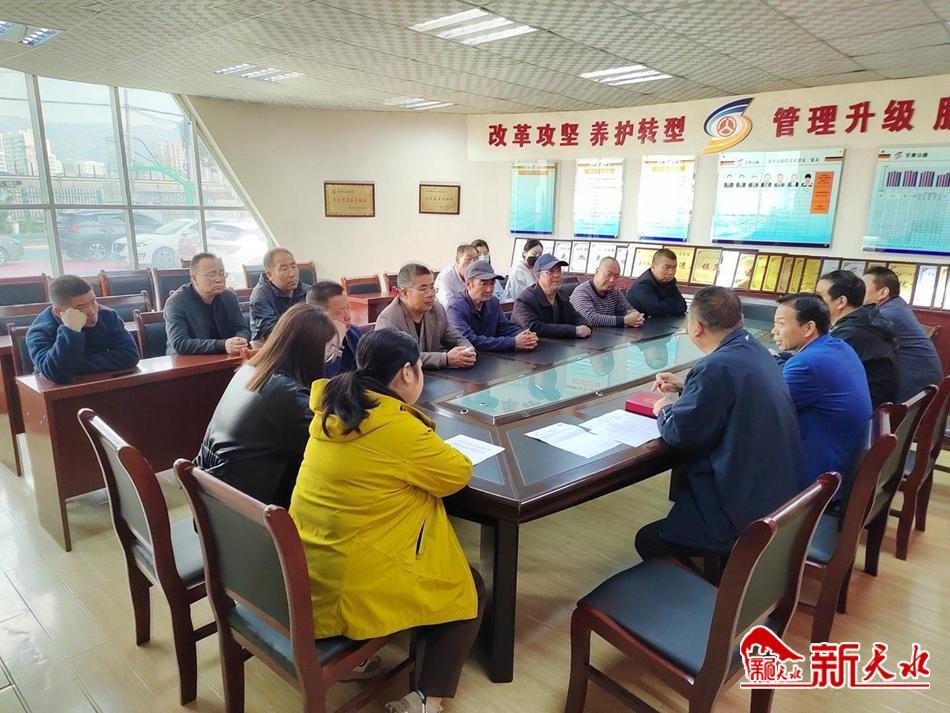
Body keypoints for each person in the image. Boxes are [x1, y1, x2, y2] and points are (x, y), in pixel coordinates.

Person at [290, 329, 485, 713]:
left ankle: (359, 661)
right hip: (351, 586)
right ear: (408, 372)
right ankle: (428, 699)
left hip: (307, 567)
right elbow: (457, 473)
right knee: (467, 585)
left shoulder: (333, 408)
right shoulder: (395, 426)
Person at [637, 287, 803, 562]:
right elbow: (730, 393)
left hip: (741, 512)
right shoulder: (756, 350)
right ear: (740, 319)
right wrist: (688, 385)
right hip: (777, 496)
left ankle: (717, 580)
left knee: (649, 540)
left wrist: (664, 408)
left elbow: (681, 434)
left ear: (696, 327)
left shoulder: (715, 367)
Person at [197, 304, 337, 507]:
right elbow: (328, 447)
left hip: (216, 500)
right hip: (249, 510)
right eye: (329, 350)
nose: (329, 358)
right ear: (311, 351)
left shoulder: (250, 371)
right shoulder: (289, 396)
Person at [772, 293, 872, 489]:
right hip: (843, 465)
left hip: (819, 481)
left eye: (781, 324)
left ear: (809, 327)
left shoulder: (807, 364)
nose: (774, 331)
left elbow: (764, 408)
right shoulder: (839, 346)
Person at [26, 274, 139, 384]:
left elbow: (130, 355)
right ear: (59, 312)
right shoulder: (40, 331)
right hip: (57, 392)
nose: (92, 311)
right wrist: (71, 330)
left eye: (93, 301)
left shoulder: (107, 315)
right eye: (81, 307)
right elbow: (57, 373)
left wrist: (73, 366)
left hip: (101, 383)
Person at [816, 270, 899, 408]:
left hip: (862, 410)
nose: (814, 302)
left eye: (819, 297)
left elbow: (815, 370)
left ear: (841, 301)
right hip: (872, 403)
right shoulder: (866, 319)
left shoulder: (851, 334)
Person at [863, 266, 943, 402]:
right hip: (926, 382)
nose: (859, 291)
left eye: (863, 287)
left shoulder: (886, 313)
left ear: (883, 292)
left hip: (915, 385)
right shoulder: (897, 305)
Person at [375, 263, 476, 369]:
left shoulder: (437, 310)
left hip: (435, 376)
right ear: (404, 293)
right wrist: (445, 359)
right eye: (423, 289)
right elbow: (400, 357)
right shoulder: (388, 319)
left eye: (432, 287)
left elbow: (457, 339)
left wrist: (467, 351)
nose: (431, 294)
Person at [164, 252, 250, 355]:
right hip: (187, 361)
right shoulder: (176, 303)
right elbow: (180, 343)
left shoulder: (229, 297)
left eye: (222, 274)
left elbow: (242, 329)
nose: (219, 279)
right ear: (194, 278)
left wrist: (240, 340)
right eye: (212, 275)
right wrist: (222, 345)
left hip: (225, 357)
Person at [447, 262, 538, 352]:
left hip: (492, 356)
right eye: (484, 284)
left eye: (492, 284)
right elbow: (469, 340)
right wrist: (513, 342)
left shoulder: (493, 302)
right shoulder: (455, 307)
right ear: (468, 285)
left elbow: (505, 327)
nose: (489, 289)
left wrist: (525, 335)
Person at [512, 254, 590, 338]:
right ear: (538, 276)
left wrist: (585, 326)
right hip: (532, 344)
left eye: (559, 271)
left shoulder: (561, 295)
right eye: (551, 271)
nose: (557, 275)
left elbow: (574, 316)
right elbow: (533, 327)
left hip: (557, 344)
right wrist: (573, 331)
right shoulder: (524, 300)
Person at [248, 247, 309, 341]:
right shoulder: (260, 295)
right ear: (269, 275)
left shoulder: (307, 290)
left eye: (293, 266)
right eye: (284, 269)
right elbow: (270, 331)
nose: (292, 274)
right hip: (270, 346)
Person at [306, 281, 363, 376]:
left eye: (348, 308)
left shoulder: (354, 332)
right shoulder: (308, 344)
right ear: (318, 316)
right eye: (339, 312)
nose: (348, 317)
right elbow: (324, 379)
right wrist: (337, 343)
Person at [570, 257, 645, 328]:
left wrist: (636, 317)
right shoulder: (582, 291)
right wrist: (624, 320)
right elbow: (589, 319)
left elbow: (627, 309)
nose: (612, 280)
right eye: (608, 275)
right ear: (597, 272)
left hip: (610, 335)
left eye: (616, 276)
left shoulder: (615, 292)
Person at [625, 248, 687, 318]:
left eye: (674, 267)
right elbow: (657, 311)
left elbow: (683, 306)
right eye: (667, 267)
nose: (671, 272)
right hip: (632, 323)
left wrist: (663, 304)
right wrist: (671, 303)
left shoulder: (669, 281)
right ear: (653, 267)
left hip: (657, 323)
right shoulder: (643, 284)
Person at [434, 244, 479, 308]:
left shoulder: (478, 273)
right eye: (468, 259)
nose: (473, 263)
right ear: (457, 260)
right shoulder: (446, 276)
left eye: (476, 259)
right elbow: (448, 306)